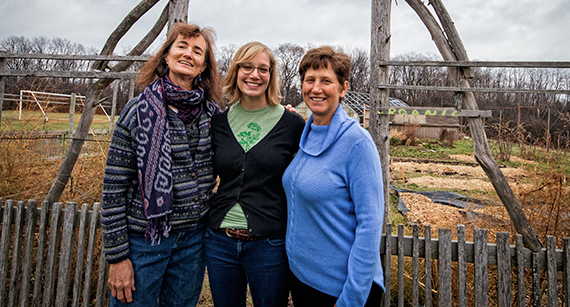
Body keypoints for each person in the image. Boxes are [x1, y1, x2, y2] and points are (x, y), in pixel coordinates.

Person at [101, 22, 221, 306]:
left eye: (197, 51)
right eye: (181, 46)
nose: (188, 54)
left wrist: (283, 115)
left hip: (192, 241)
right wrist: (118, 257)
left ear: (203, 66)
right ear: (166, 56)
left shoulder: (213, 114)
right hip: (144, 240)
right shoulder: (138, 110)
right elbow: (113, 189)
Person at [283, 46, 385, 307]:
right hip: (304, 279)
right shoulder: (307, 133)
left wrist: (352, 297)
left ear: (343, 88)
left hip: (339, 288)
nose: (316, 88)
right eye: (310, 80)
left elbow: (370, 224)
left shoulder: (356, 143)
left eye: (326, 81)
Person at [205, 41, 305, 307]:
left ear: (271, 76)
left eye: (263, 69)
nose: (254, 75)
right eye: (247, 67)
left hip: (269, 245)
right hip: (219, 243)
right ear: (236, 72)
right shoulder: (218, 122)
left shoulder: (292, 123)